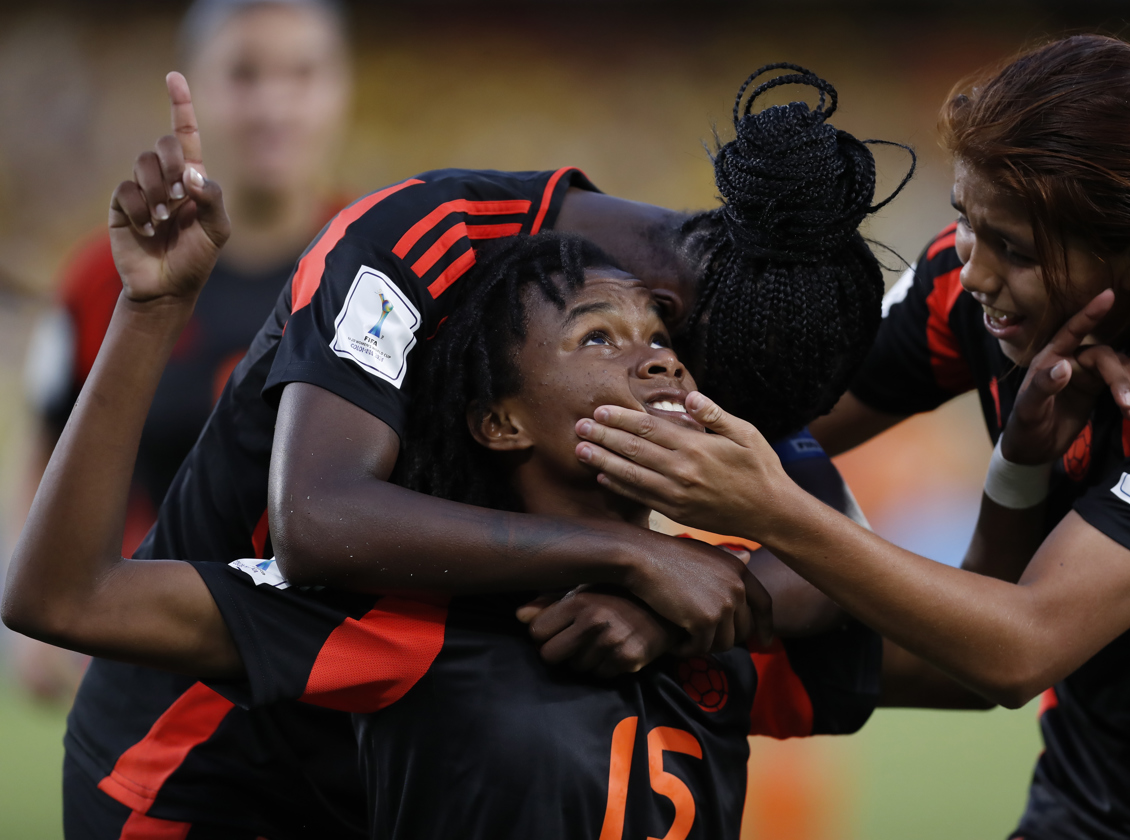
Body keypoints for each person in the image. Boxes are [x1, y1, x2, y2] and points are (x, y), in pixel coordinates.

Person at [59, 64, 905, 837]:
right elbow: (315, 519)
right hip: (198, 762)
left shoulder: (729, 325)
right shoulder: (421, 242)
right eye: (611, 342)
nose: (681, 392)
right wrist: (634, 555)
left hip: (396, 768)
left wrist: (661, 608)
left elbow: (827, 541)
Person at [574, 35, 1130, 839]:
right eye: (968, 223)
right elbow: (776, 412)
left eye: (1017, 250)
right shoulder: (970, 290)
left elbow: (1020, 648)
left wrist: (769, 513)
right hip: (1088, 784)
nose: (973, 272)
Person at [14, 0, 351, 703]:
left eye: (302, 74)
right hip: (147, 667)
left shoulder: (379, 265)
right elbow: (50, 439)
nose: (273, 105)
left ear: (342, 87)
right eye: (244, 74)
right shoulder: (104, 276)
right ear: (193, 85)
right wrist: (34, 618)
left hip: (327, 675)